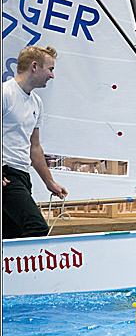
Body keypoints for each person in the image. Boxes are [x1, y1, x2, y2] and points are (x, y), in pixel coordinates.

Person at [2, 45, 68, 238]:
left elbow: (35, 147)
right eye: (50, 69)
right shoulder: (5, 94)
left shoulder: (36, 103)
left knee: (11, 236)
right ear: (34, 66)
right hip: (6, 177)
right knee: (36, 228)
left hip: (22, 175)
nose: (52, 75)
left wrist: (49, 182)